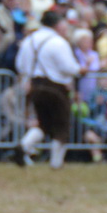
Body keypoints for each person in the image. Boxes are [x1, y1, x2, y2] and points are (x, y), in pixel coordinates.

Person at [15, 11, 80, 169]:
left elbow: (20, 65)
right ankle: (56, 162)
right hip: (56, 88)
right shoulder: (58, 42)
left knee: (43, 123)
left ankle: (24, 145)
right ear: (57, 24)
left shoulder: (28, 41)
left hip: (34, 86)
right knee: (62, 124)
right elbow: (69, 67)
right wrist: (81, 69)